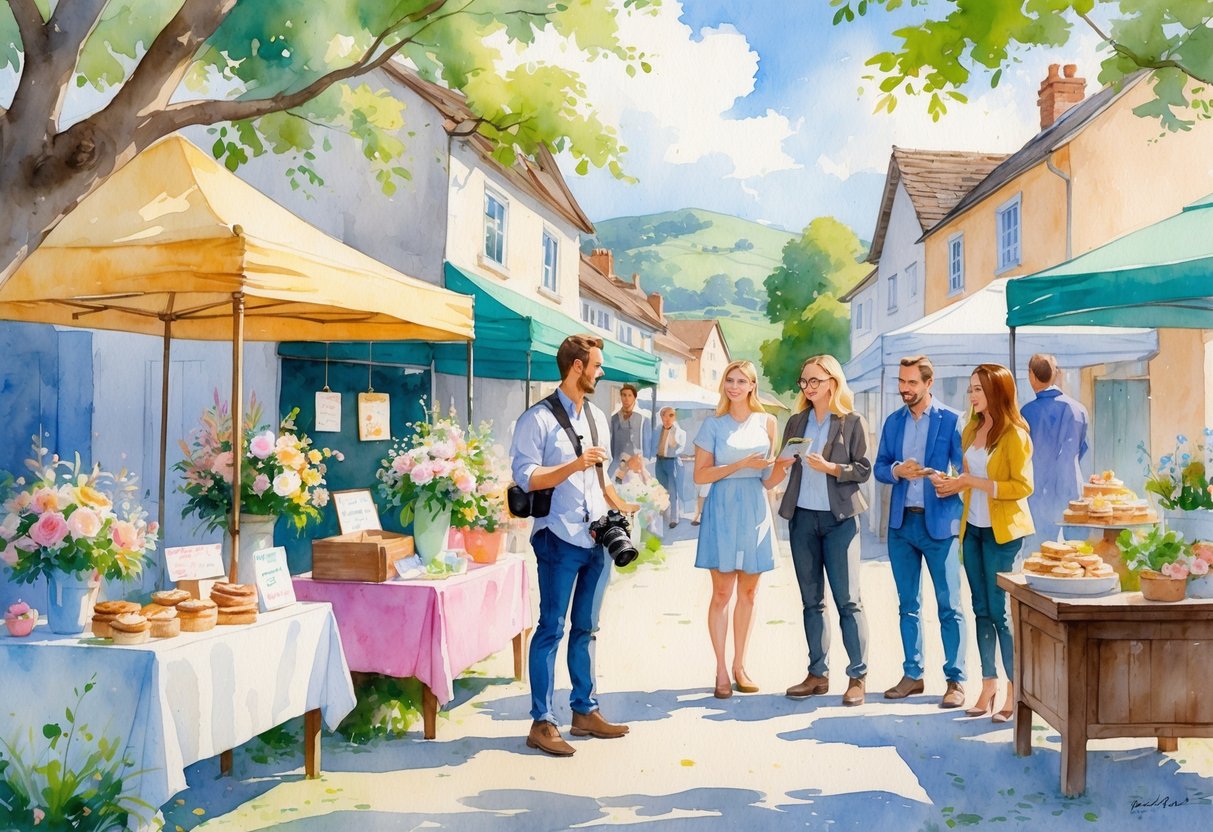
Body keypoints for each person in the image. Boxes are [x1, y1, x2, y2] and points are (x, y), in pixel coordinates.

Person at [510, 334, 639, 756]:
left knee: (586, 628)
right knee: (551, 628)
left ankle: (584, 711)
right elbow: (527, 477)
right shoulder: (536, 419)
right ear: (576, 367)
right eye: (596, 365)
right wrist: (572, 465)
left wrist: (623, 503)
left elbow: (598, 478)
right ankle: (542, 722)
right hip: (557, 537)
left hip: (595, 536)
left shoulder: (598, 417)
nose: (601, 372)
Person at [931, 363, 1034, 723]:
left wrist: (969, 483)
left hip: (1003, 533)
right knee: (979, 610)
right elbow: (967, 476)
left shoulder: (1015, 434)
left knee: (1000, 614)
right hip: (971, 529)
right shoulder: (971, 428)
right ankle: (987, 684)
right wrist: (954, 482)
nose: (972, 395)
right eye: (971, 389)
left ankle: (1013, 688)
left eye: (979, 389)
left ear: (998, 392)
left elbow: (1022, 487)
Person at [767, 355, 872, 707]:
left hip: (839, 520)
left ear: (832, 382)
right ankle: (817, 673)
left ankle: (857, 676)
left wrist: (831, 467)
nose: (809, 387)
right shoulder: (797, 421)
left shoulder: (851, 421)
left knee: (848, 601)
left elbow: (863, 469)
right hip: (802, 519)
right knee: (811, 602)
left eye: (815, 381)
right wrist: (782, 462)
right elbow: (785, 462)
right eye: (804, 382)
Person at [874, 355, 967, 709]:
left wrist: (949, 481)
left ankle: (955, 680)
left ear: (929, 383)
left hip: (939, 524)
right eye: (902, 382)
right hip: (902, 525)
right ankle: (913, 675)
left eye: (912, 383)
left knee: (949, 606)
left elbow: (965, 468)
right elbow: (880, 467)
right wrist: (898, 471)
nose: (904, 389)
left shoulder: (952, 420)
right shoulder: (893, 422)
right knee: (907, 605)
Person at [693, 359, 778, 699]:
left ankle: (740, 664)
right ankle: (720, 669)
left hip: (755, 507)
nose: (734, 386)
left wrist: (784, 466)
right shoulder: (712, 425)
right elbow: (700, 476)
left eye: (742, 381)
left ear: (752, 386)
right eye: (730, 380)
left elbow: (768, 480)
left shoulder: (768, 422)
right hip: (723, 509)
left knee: (749, 593)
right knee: (722, 593)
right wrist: (742, 463)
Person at [1020, 353, 1088, 546]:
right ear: (1055, 374)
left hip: (1038, 492)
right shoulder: (1079, 409)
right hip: (1072, 490)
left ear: (1031, 375)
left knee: (1039, 555)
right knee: (1075, 554)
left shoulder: (1026, 413)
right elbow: (1082, 449)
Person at [651, 407, 688, 528]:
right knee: (661, 489)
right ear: (661, 417)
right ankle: (664, 514)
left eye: (671, 415)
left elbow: (680, 448)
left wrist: (672, 435)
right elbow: (652, 444)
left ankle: (674, 518)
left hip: (672, 462)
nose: (668, 418)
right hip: (660, 461)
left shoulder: (680, 432)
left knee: (673, 490)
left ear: (674, 417)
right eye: (665, 416)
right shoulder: (657, 430)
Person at [610, 383, 651, 478]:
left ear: (634, 398)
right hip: (618, 464)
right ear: (620, 397)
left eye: (629, 395)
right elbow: (612, 442)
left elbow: (647, 445)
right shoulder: (614, 419)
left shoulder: (643, 419)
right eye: (624, 395)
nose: (626, 398)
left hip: (637, 464)